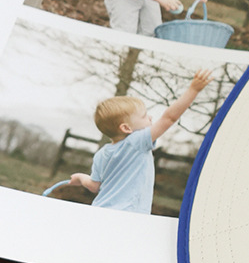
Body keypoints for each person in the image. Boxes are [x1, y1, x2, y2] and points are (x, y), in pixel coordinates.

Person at [69, 70, 213, 214]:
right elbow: (169, 118)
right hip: (129, 214)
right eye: (144, 116)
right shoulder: (136, 142)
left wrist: (80, 177)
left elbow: (94, 186)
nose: (150, 117)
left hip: (100, 210)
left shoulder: (101, 154)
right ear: (126, 128)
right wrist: (193, 90)